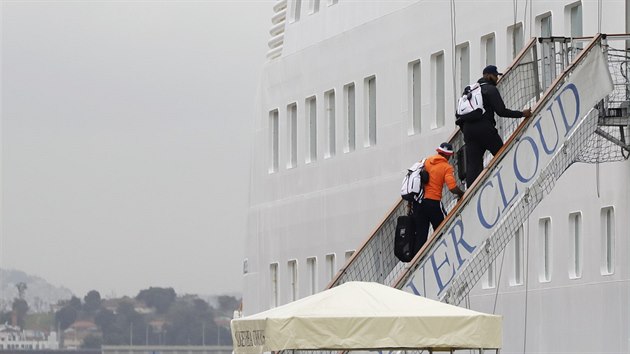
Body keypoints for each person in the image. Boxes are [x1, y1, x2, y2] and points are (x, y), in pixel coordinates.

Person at [462, 64, 532, 187]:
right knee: (502, 154)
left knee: (473, 165)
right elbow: (501, 111)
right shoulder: (490, 89)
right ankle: (511, 182)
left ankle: (470, 194)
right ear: (487, 75)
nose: (497, 78)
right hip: (485, 129)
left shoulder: (470, 91)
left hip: (468, 130)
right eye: (495, 75)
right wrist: (521, 114)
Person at [412, 142, 464, 248]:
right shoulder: (446, 167)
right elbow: (452, 187)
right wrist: (461, 193)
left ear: (438, 152)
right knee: (442, 231)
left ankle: (418, 262)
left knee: (421, 236)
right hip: (433, 203)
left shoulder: (426, 161)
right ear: (448, 155)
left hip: (419, 203)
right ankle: (443, 252)